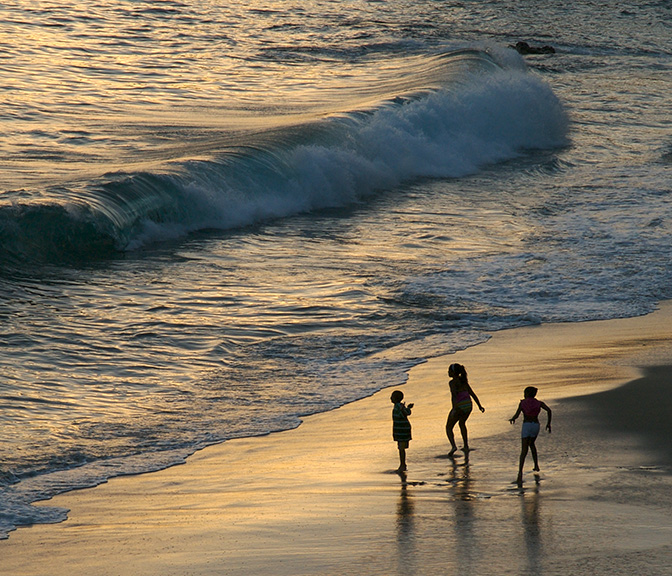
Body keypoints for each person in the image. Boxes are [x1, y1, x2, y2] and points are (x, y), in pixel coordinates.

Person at [509, 386, 552, 484]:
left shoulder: (523, 403)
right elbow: (549, 410)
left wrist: (513, 419)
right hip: (536, 426)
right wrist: (548, 423)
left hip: (527, 425)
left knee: (524, 450)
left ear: (527, 394)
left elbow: (517, 414)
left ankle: (520, 474)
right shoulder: (539, 403)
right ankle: (536, 465)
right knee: (532, 444)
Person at [445, 363, 485, 457]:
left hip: (460, 406)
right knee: (462, 423)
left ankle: (453, 446)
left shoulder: (452, 383)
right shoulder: (464, 381)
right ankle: (466, 445)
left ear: (453, 372)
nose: (448, 372)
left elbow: (454, 396)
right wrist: (479, 405)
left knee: (448, 427)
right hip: (468, 405)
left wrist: (454, 409)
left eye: (449, 371)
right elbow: (472, 393)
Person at [391, 390, 413, 472]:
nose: (390, 398)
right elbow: (407, 413)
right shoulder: (399, 406)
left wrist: (405, 409)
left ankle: (403, 465)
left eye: (392, 397)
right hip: (403, 429)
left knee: (401, 448)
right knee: (401, 447)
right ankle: (403, 464)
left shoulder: (398, 406)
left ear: (395, 399)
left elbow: (403, 414)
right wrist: (408, 408)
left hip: (401, 430)